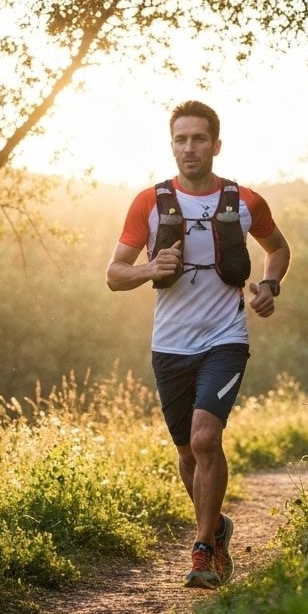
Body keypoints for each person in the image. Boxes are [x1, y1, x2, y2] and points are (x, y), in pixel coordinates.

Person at [106, 100, 291, 589]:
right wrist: (149, 268)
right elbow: (114, 273)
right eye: (181, 140)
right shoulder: (149, 202)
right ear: (172, 145)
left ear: (216, 145)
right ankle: (218, 527)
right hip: (170, 345)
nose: (190, 148)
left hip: (225, 338)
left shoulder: (245, 201)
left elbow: (279, 249)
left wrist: (270, 287)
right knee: (188, 453)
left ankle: (203, 549)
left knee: (207, 439)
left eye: (199, 139)